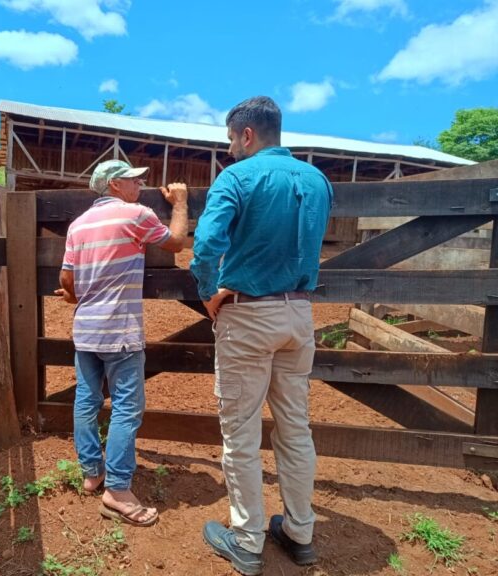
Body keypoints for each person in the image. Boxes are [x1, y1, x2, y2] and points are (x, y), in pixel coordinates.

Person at [192, 96, 332, 575]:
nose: (230, 147)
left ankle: (248, 540)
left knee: (241, 431)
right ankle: (300, 532)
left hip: (250, 317)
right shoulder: (318, 180)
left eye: (231, 138)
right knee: (295, 428)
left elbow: (207, 244)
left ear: (247, 134)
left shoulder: (236, 177)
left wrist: (209, 291)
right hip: (299, 316)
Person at [56, 159, 188, 527]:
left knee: (86, 399)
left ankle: (91, 472)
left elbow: (66, 278)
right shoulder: (135, 214)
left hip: (86, 331)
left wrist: (73, 297)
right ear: (114, 184)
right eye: (133, 180)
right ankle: (117, 489)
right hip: (121, 331)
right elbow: (176, 242)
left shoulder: (78, 225)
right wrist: (179, 203)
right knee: (127, 408)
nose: (140, 185)